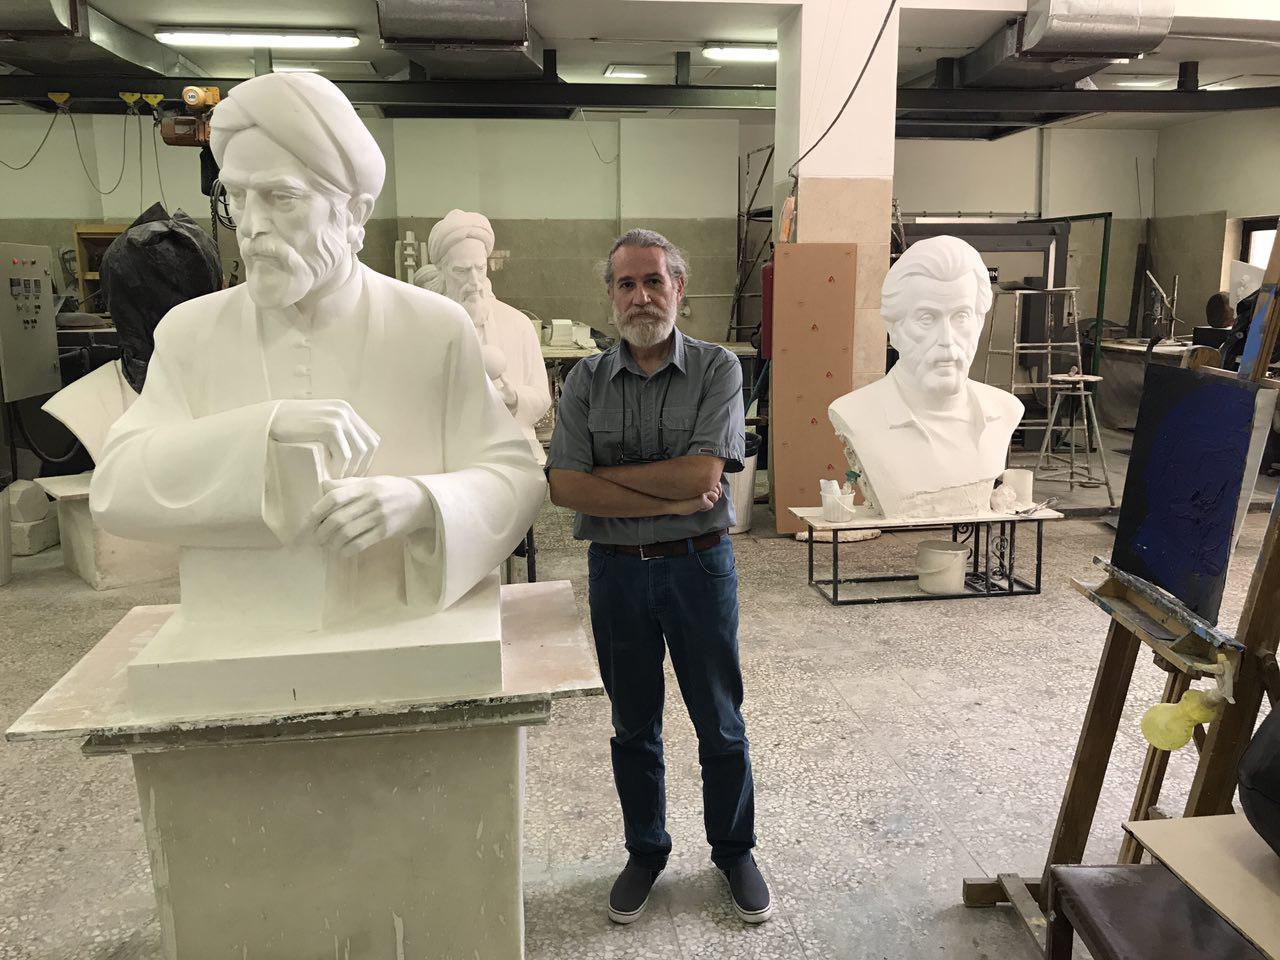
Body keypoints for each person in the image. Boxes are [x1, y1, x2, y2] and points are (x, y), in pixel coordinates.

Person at [90, 72, 543, 613]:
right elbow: (116, 488)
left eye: (281, 197)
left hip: (393, 622)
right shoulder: (190, 333)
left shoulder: (434, 328)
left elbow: (515, 478)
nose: (251, 226)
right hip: (242, 626)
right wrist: (265, 429)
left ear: (354, 212)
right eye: (238, 197)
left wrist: (423, 502)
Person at [546, 229, 770, 925]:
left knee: (720, 721)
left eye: (653, 281)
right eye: (626, 284)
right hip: (617, 575)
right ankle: (645, 851)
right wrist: (671, 497)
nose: (641, 296)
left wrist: (614, 482)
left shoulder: (717, 369)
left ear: (679, 288)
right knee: (632, 724)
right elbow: (564, 487)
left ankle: (734, 851)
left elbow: (702, 473)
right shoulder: (584, 380)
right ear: (611, 295)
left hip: (698, 568)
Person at [828, 236, 1023, 518]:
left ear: (980, 322)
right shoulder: (855, 414)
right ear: (894, 329)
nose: (947, 339)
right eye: (927, 318)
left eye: (961, 316)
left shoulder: (1006, 410)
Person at [416, 210, 552, 463]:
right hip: (446, 455)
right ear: (442, 271)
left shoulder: (518, 324)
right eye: (461, 270)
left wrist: (515, 400)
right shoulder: (425, 330)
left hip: (511, 451)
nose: (475, 281)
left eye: (480, 268)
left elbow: (542, 398)